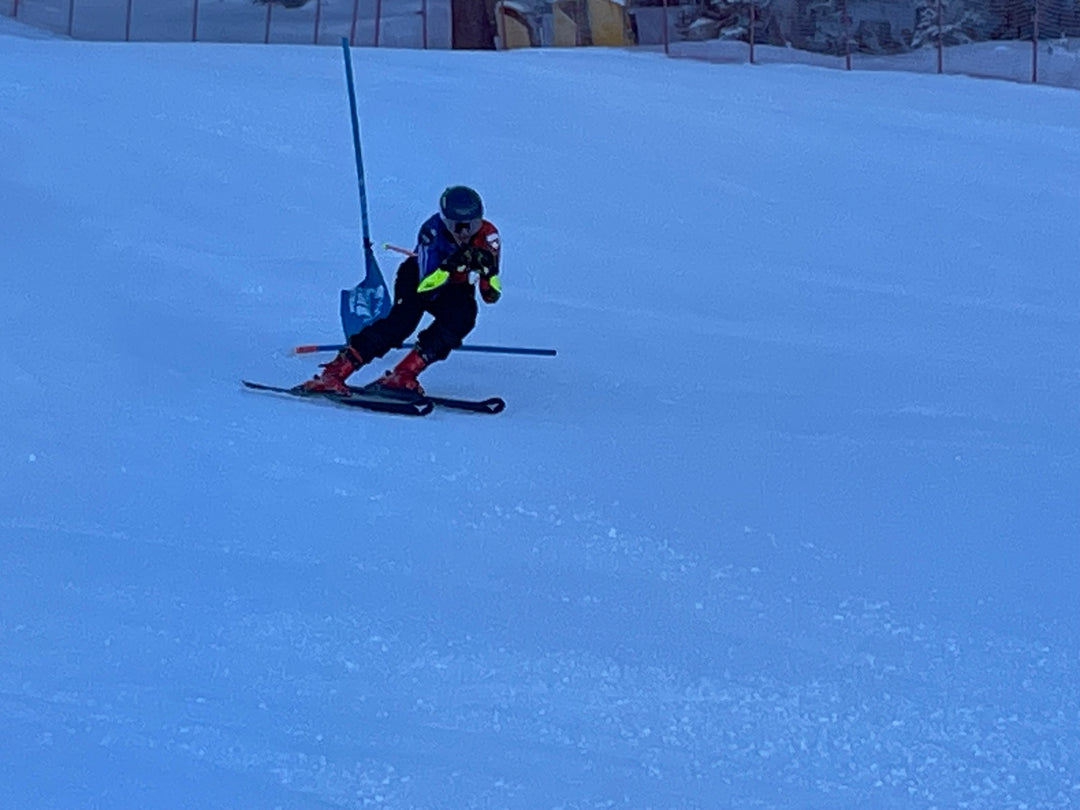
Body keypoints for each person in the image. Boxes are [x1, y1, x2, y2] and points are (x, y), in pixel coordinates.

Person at [299, 185, 501, 396]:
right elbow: (426, 287)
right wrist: (450, 264)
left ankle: (404, 373)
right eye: (457, 226)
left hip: (455, 285)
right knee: (400, 324)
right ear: (445, 221)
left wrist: (489, 273)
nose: (465, 233)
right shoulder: (431, 232)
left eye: (472, 225)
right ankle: (335, 372)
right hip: (418, 279)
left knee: (462, 318)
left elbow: (491, 296)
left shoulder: (489, 237)